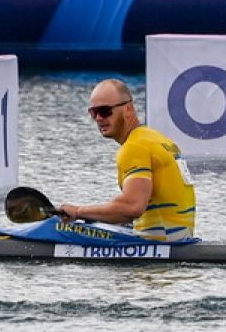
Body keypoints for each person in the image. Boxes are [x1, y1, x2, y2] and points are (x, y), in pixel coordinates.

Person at [57, 79, 196, 241]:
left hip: (159, 253)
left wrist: (78, 211)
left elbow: (132, 207)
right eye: (93, 113)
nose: (98, 118)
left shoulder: (134, 146)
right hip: (179, 243)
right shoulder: (160, 140)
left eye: (104, 111)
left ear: (128, 109)